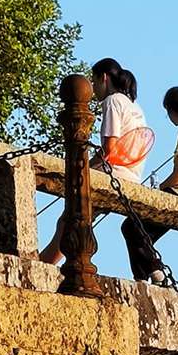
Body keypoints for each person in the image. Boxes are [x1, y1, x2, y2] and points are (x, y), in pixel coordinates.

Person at [39, 57, 152, 264]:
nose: (93, 89)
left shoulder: (112, 101)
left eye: (94, 81)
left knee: (69, 220)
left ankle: (44, 263)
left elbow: (109, 148)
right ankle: (51, 261)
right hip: (133, 176)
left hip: (113, 174)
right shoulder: (135, 106)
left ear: (104, 78)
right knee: (78, 221)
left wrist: (85, 167)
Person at [121, 86, 178, 283]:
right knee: (139, 231)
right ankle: (144, 276)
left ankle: (154, 274)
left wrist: (160, 189)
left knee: (131, 226)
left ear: (171, 110)